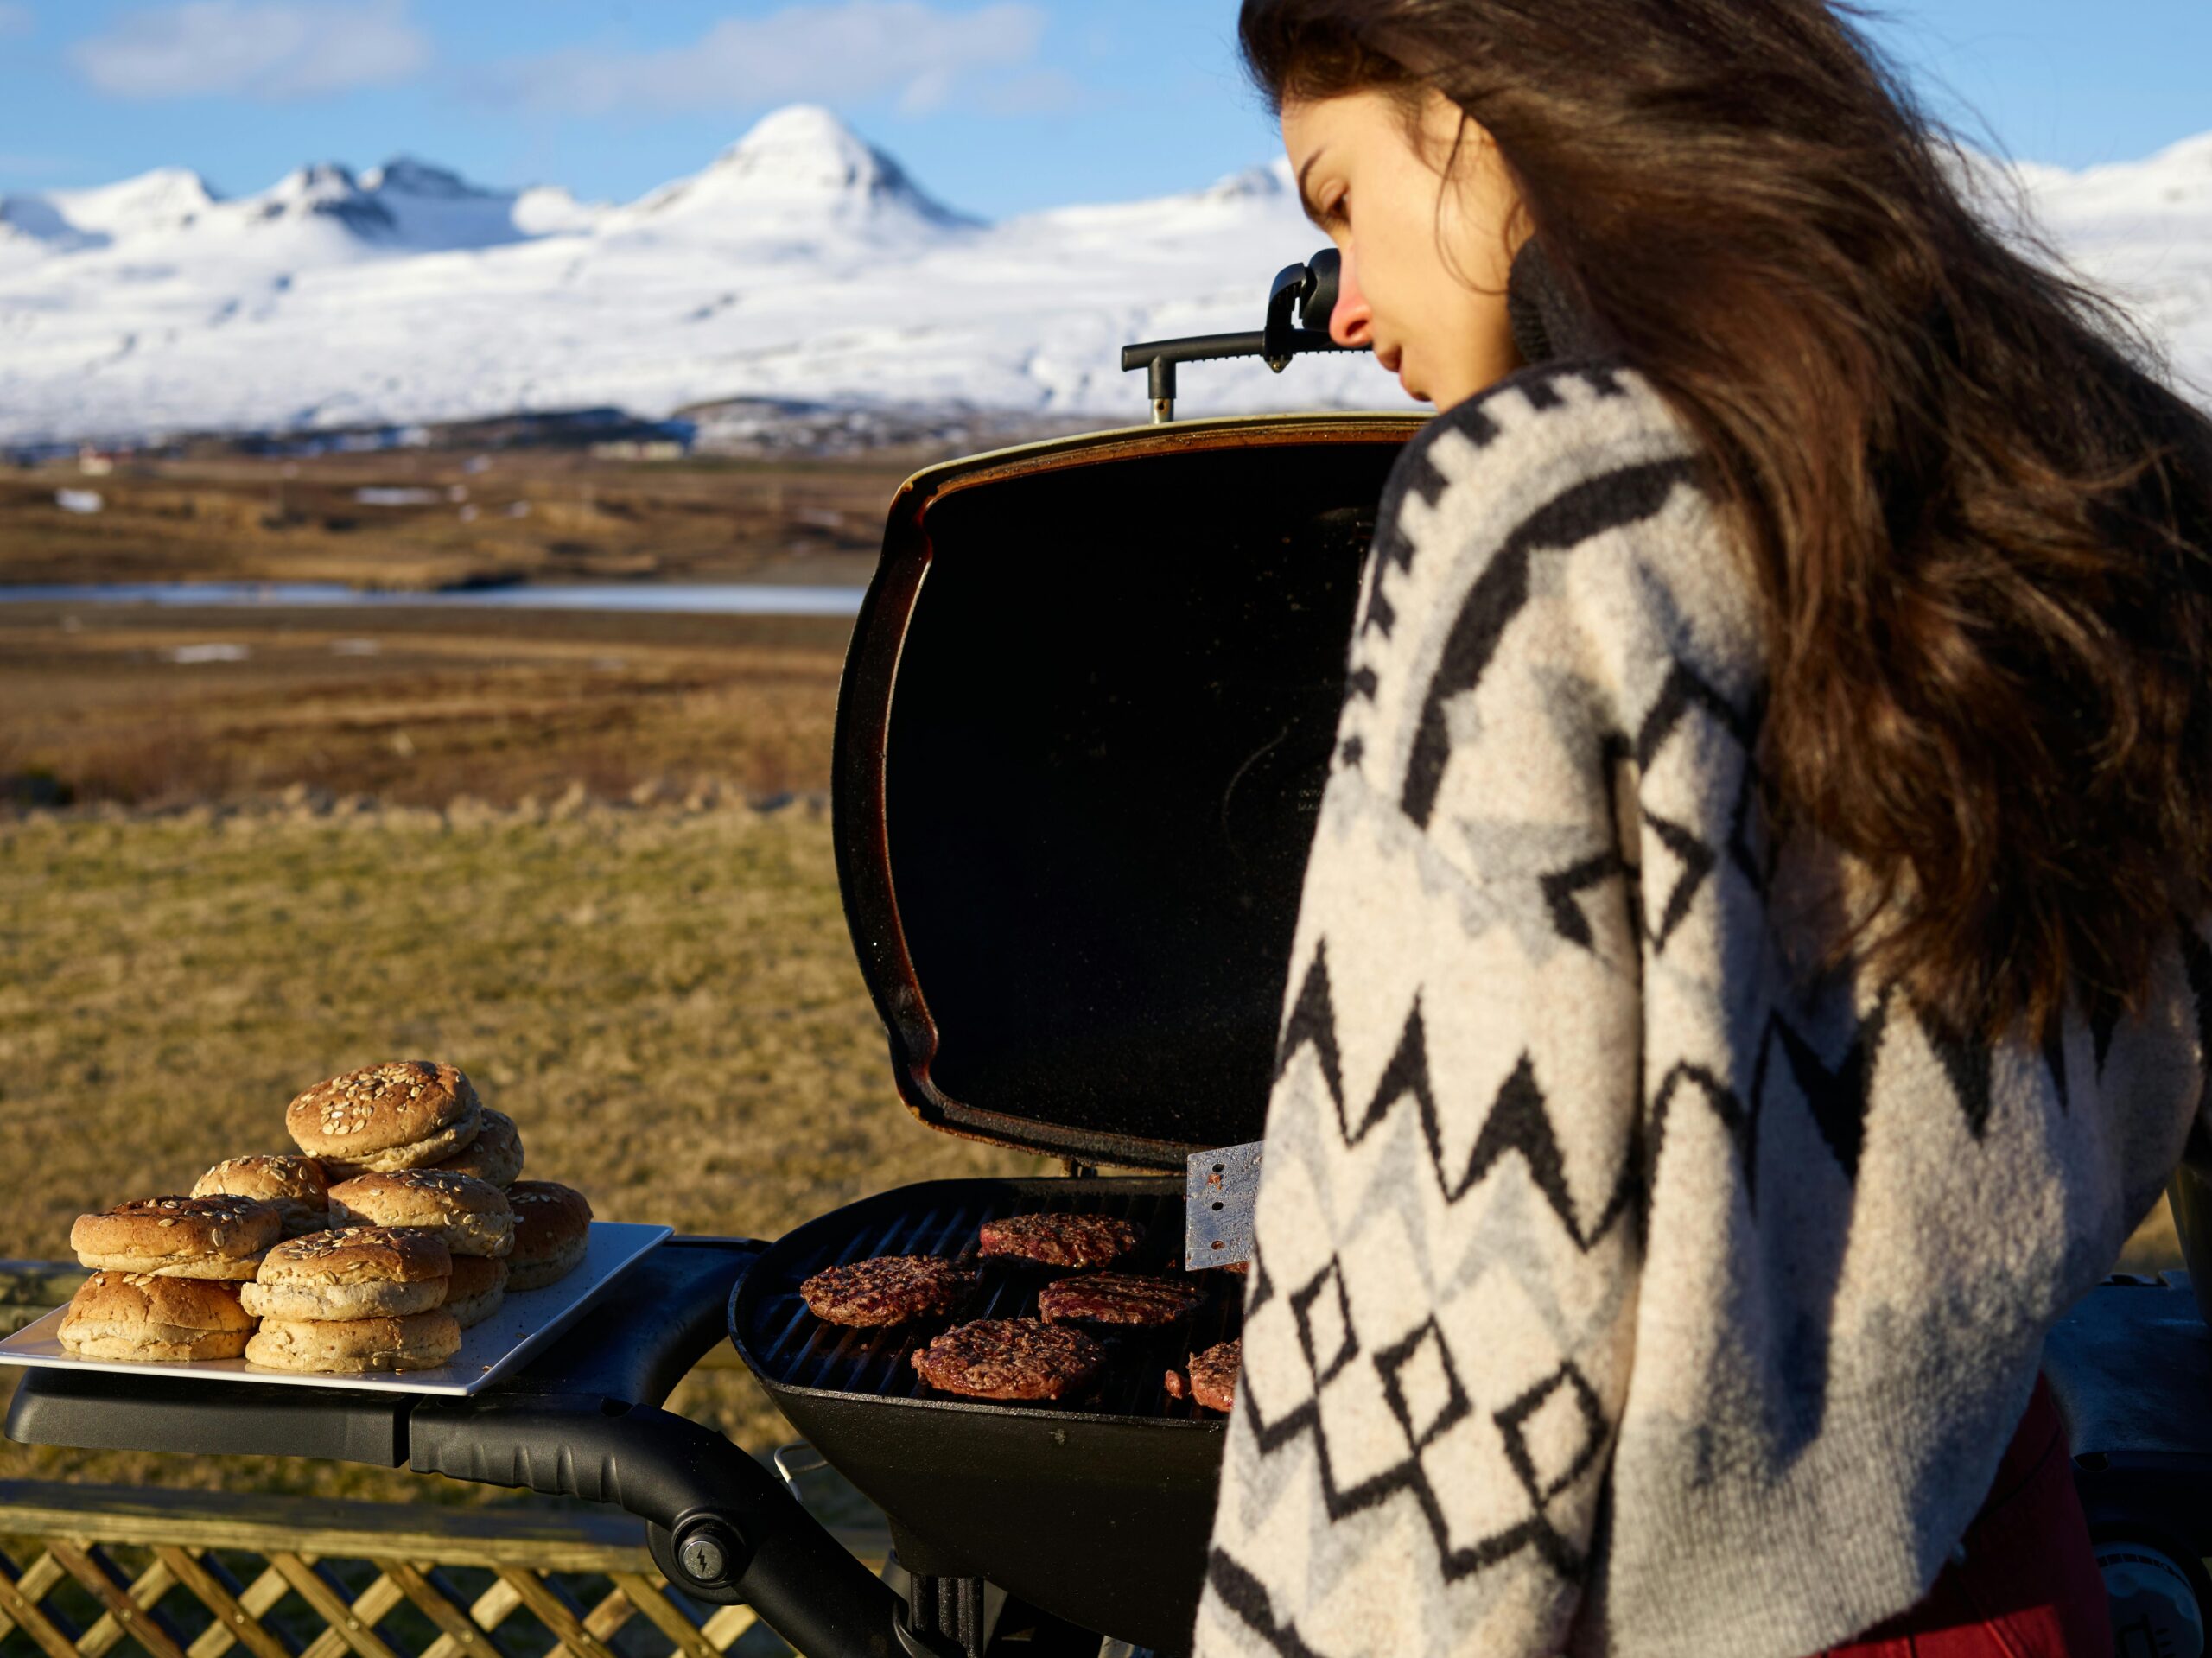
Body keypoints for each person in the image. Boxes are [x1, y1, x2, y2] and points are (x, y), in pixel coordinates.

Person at [1198, 3, 2212, 1656]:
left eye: (1336, 202)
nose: (1350, 301)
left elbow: (1443, 1374)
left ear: (1484, 125)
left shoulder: (1540, 516)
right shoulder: (2080, 472)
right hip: (2016, 1555)